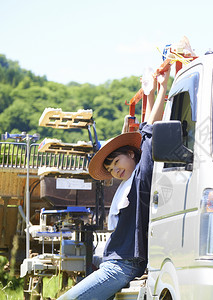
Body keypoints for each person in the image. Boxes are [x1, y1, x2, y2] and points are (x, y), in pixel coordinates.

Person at [58, 68, 170, 300]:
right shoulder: (129, 182)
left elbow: (149, 129)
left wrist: (162, 86)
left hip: (123, 265)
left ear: (132, 153)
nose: (115, 171)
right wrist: (147, 95)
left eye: (116, 162)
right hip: (114, 261)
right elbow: (144, 129)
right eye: (110, 169)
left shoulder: (142, 174)